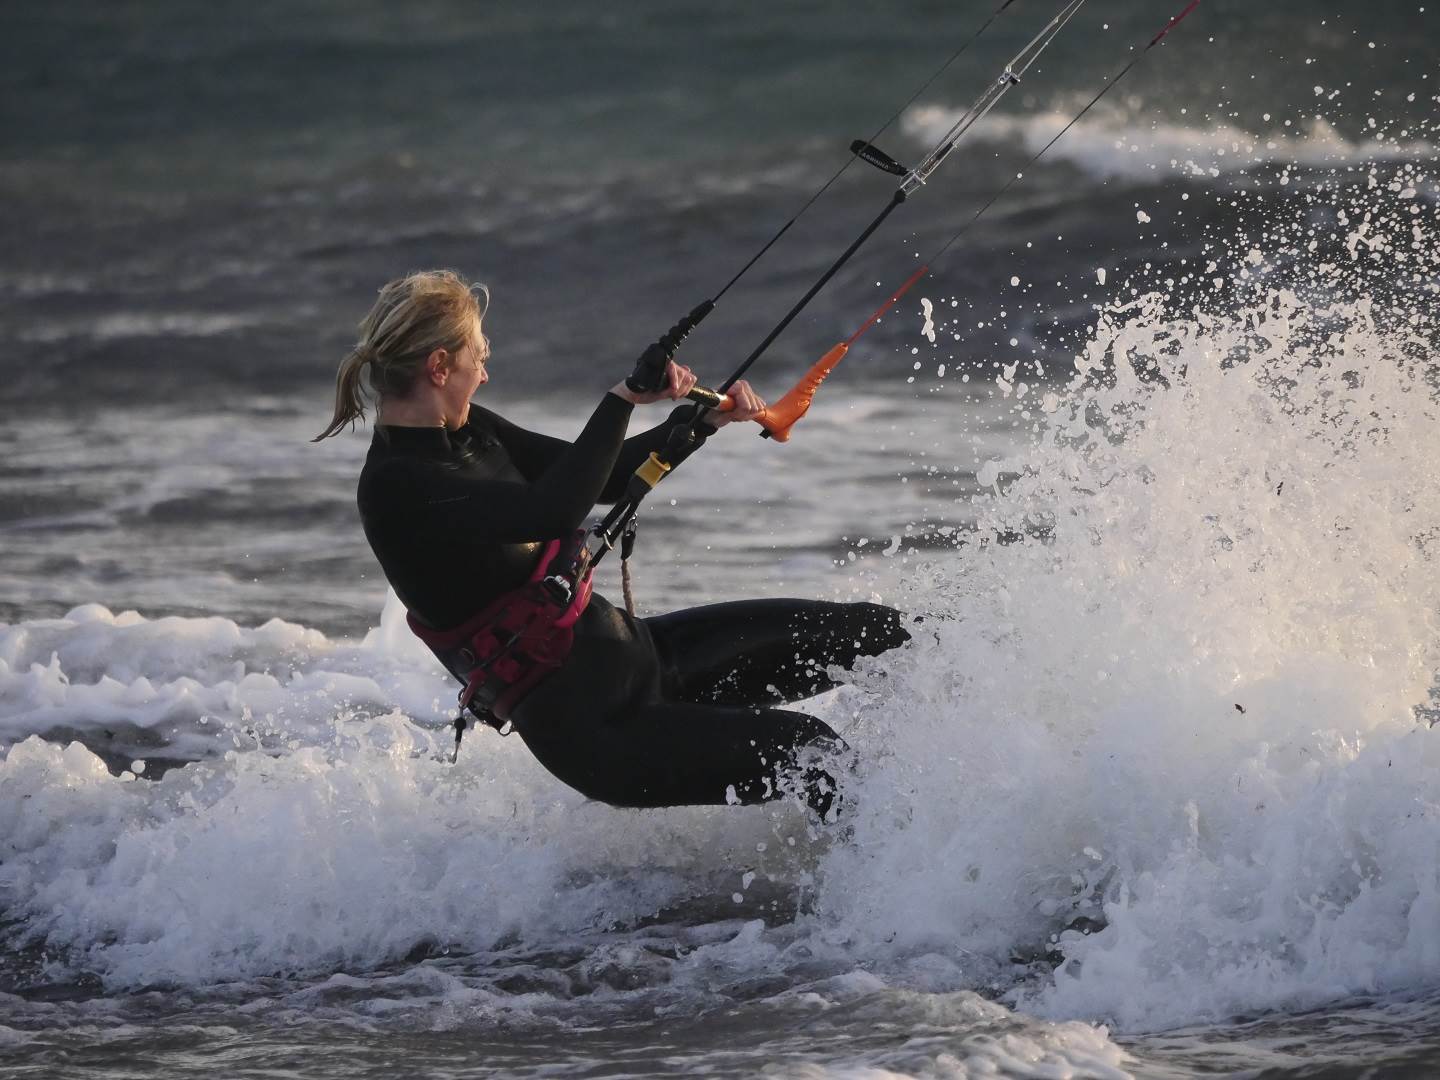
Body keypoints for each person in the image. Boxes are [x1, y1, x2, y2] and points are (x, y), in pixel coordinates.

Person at [316, 270, 908, 817]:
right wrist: (621, 399)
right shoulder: (400, 486)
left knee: (875, 634)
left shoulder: (471, 430)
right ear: (440, 366)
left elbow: (604, 477)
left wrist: (696, 424)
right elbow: (553, 510)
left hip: (647, 657)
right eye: (480, 358)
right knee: (812, 754)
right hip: (605, 732)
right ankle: (901, 910)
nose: (485, 374)